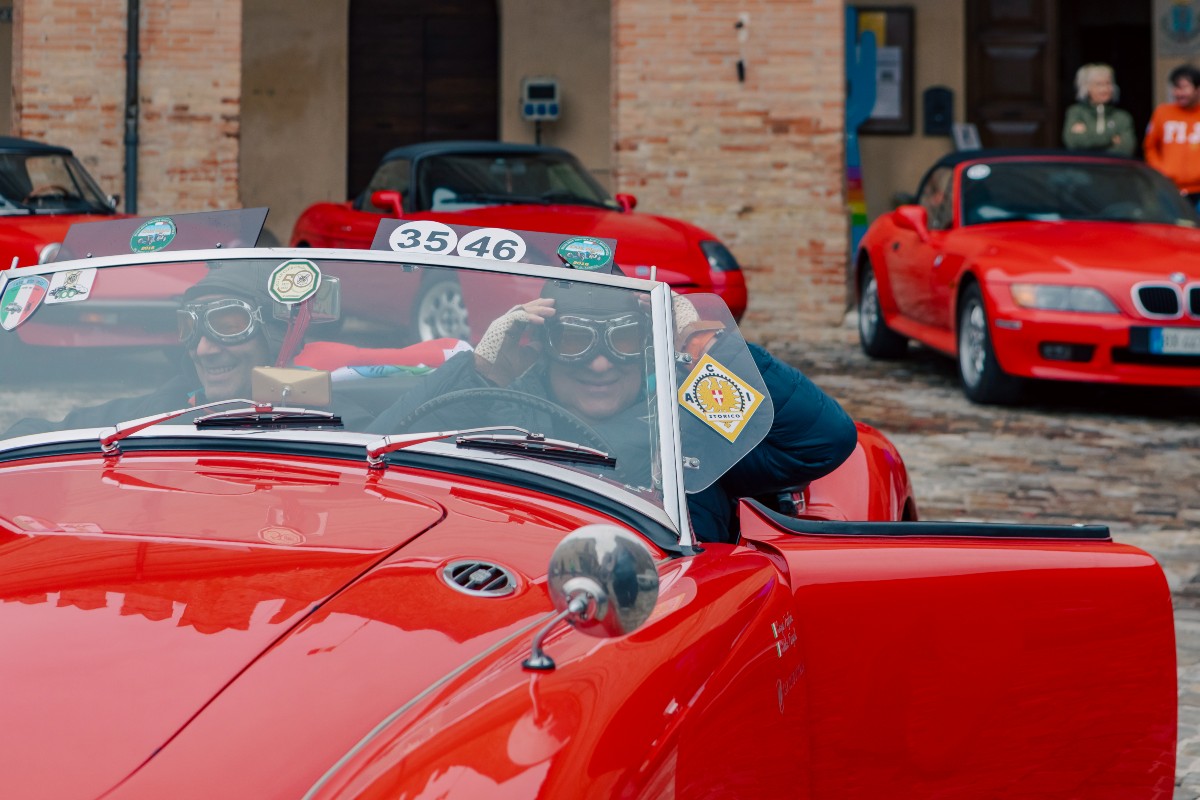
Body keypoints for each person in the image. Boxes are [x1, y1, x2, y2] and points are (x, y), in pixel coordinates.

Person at [368, 282, 858, 544]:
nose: (600, 362)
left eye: (623, 340)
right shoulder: (495, 416)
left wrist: (704, 346)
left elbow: (823, 441)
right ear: (543, 346)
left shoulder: (690, 427)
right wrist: (481, 372)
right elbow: (373, 472)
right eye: (576, 340)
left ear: (648, 349)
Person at [3, 262, 292, 437]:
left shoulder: (331, 416)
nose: (204, 350)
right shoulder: (164, 409)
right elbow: (38, 435)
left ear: (275, 335)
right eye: (190, 328)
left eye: (228, 325)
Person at [1143, 63, 1200, 203]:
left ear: (1198, 89)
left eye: (1184, 87)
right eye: (1176, 88)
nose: (1179, 93)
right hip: (1169, 188)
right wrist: (1160, 171)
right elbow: (1150, 146)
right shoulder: (1162, 112)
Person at [1062, 63, 1135, 156]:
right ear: (1086, 88)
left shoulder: (1122, 117)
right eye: (1099, 84)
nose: (1105, 89)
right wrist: (1110, 139)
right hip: (1083, 169)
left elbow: (1126, 149)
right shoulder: (1076, 113)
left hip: (1113, 169)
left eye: (1108, 84)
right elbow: (1072, 142)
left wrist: (1087, 136)